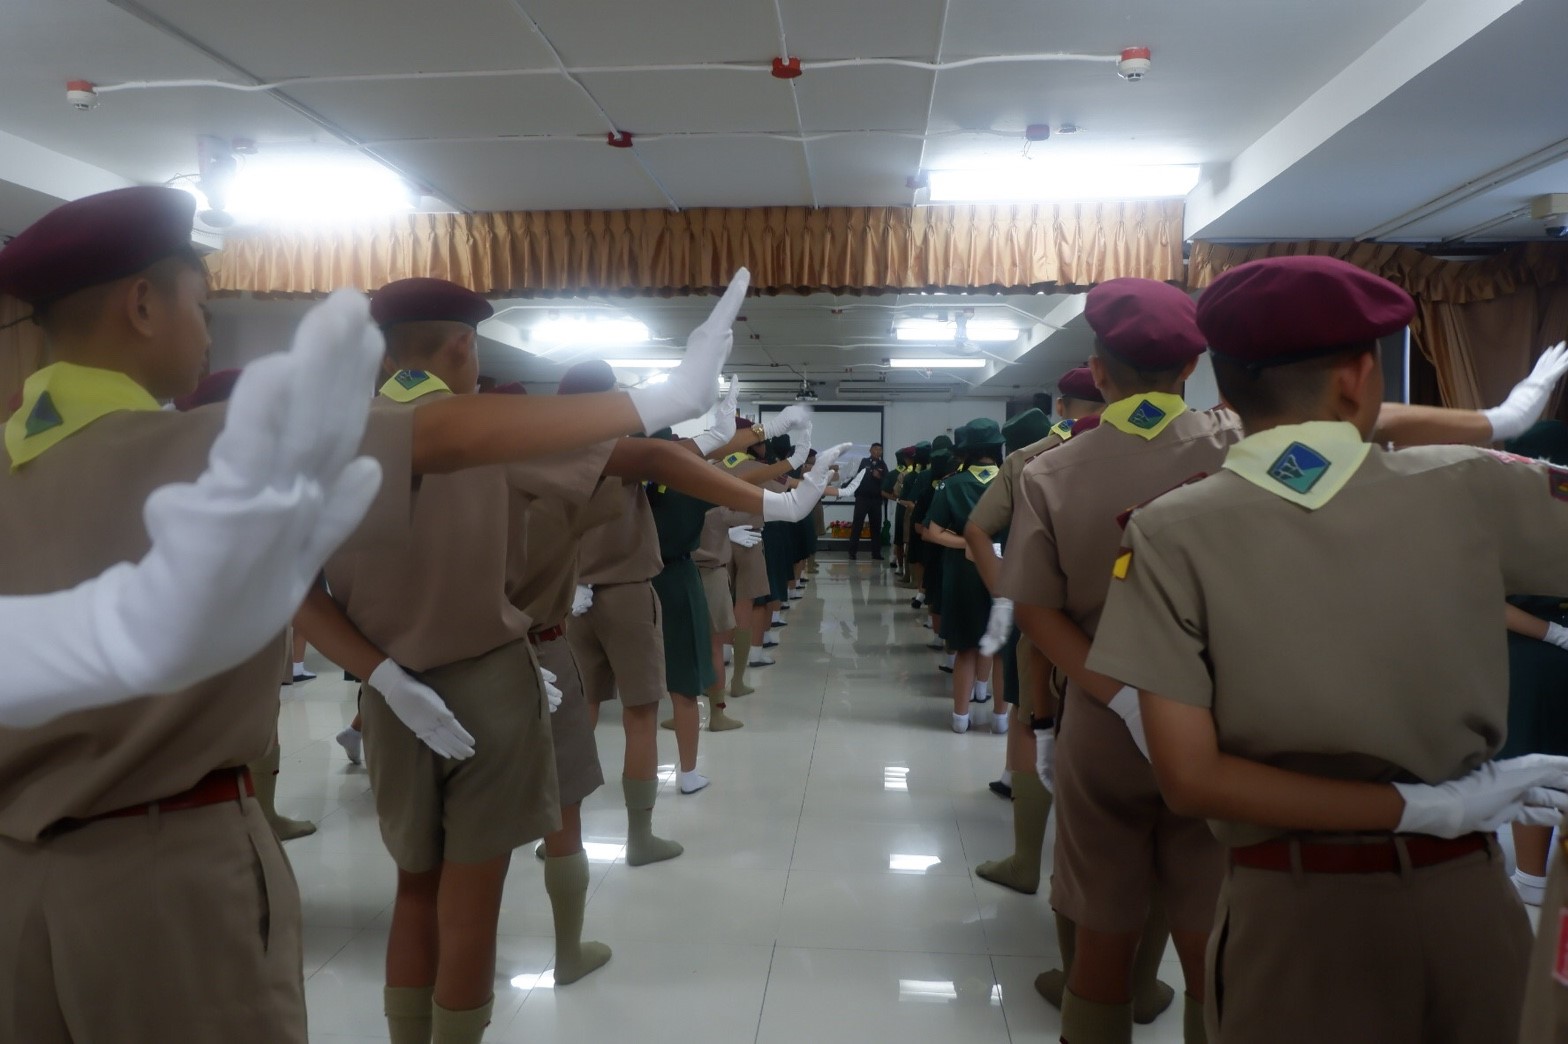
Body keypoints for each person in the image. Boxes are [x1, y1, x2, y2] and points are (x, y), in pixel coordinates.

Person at [0, 185, 736, 1043]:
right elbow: (441, 437)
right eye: (200, 307)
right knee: (468, 891)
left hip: (18, 876)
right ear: (141, 304)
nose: (206, 335)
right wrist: (655, 399)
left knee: (415, 885)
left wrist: (381, 672)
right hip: (169, 873)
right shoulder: (201, 453)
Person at [1087, 255, 1568, 1044]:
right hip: (1466, 902)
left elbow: (1192, 777)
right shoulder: (1475, 487)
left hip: (1293, 912)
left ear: (1224, 388)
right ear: (1357, 377)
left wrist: (1425, 807)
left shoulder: (1170, 531)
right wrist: (1493, 425)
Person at [1001, 279, 1230, 1044]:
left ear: (1098, 372)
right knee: (1210, 926)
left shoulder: (1051, 471)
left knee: (1099, 920)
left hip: (1104, 717)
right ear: (1191, 367)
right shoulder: (1239, 450)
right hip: (1218, 716)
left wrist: (1125, 698)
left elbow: (1037, 611)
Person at [924, 418, 1005, 734]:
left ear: (965, 452)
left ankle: (960, 718)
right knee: (1001, 646)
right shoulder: (1014, 481)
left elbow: (933, 532)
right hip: (1006, 568)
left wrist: (969, 543)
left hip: (963, 570)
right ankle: (1000, 718)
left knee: (966, 646)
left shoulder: (951, 484)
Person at [848, 441, 889, 560]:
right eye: (875, 449)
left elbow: (887, 482)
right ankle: (852, 552)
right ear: (870, 450)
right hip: (862, 499)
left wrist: (879, 477)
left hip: (876, 500)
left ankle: (876, 553)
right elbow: (854, 477)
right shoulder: (863, 462)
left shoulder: (883, 465)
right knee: (857, 525)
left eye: (879, 450)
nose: (877, 451)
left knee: (876, 527)